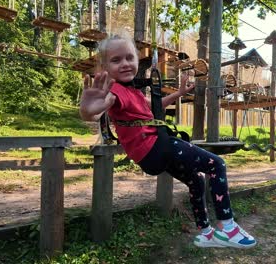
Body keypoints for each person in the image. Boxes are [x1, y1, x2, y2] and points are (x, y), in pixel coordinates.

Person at [79, 33, 256, 249]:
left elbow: (155, 107)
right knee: (217, 164)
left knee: (196, 180)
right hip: (155, 148)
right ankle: (227, 227)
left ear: (136, 60)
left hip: (150, 155)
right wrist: (88, 111)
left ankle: (206, 233)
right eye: (116, 60)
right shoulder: (115, 91)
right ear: (105, 66)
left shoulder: (132, 91)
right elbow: (97, 111)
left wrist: (179, 93)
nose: (125, 64)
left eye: (129, 58)